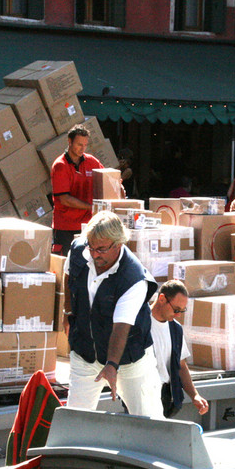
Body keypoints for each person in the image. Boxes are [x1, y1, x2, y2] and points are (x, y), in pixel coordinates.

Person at [63, 211, 162, 418]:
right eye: (91, 246)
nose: (94, 253)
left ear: (118, 244)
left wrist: (111, 365)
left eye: (101, 249)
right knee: (75, 419)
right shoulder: (80, 250)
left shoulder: (134, 279)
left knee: (148, 419)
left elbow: (121, 326)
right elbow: (68, 274)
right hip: (85, 351)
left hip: (129, 359)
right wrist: (68, 312)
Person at [149, 280, 208, 419]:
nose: (178, 315)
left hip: (165, 398)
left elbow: (181, 365)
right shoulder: (140, 323)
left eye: (182, 311)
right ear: (162, 299)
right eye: (176, 310)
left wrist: (195, 396)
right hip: (142, 395)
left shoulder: (175, 329)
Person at [51, 124, 102, 256]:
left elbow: (108, 178)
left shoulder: (92, 162)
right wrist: (91, 207)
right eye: (79, 144)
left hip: (87, 226)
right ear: (69, 141)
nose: (82, 148)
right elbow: (65, 199)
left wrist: (118, 187)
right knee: (65, 265)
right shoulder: (60, 165)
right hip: (65, 227)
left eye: (85, 145)